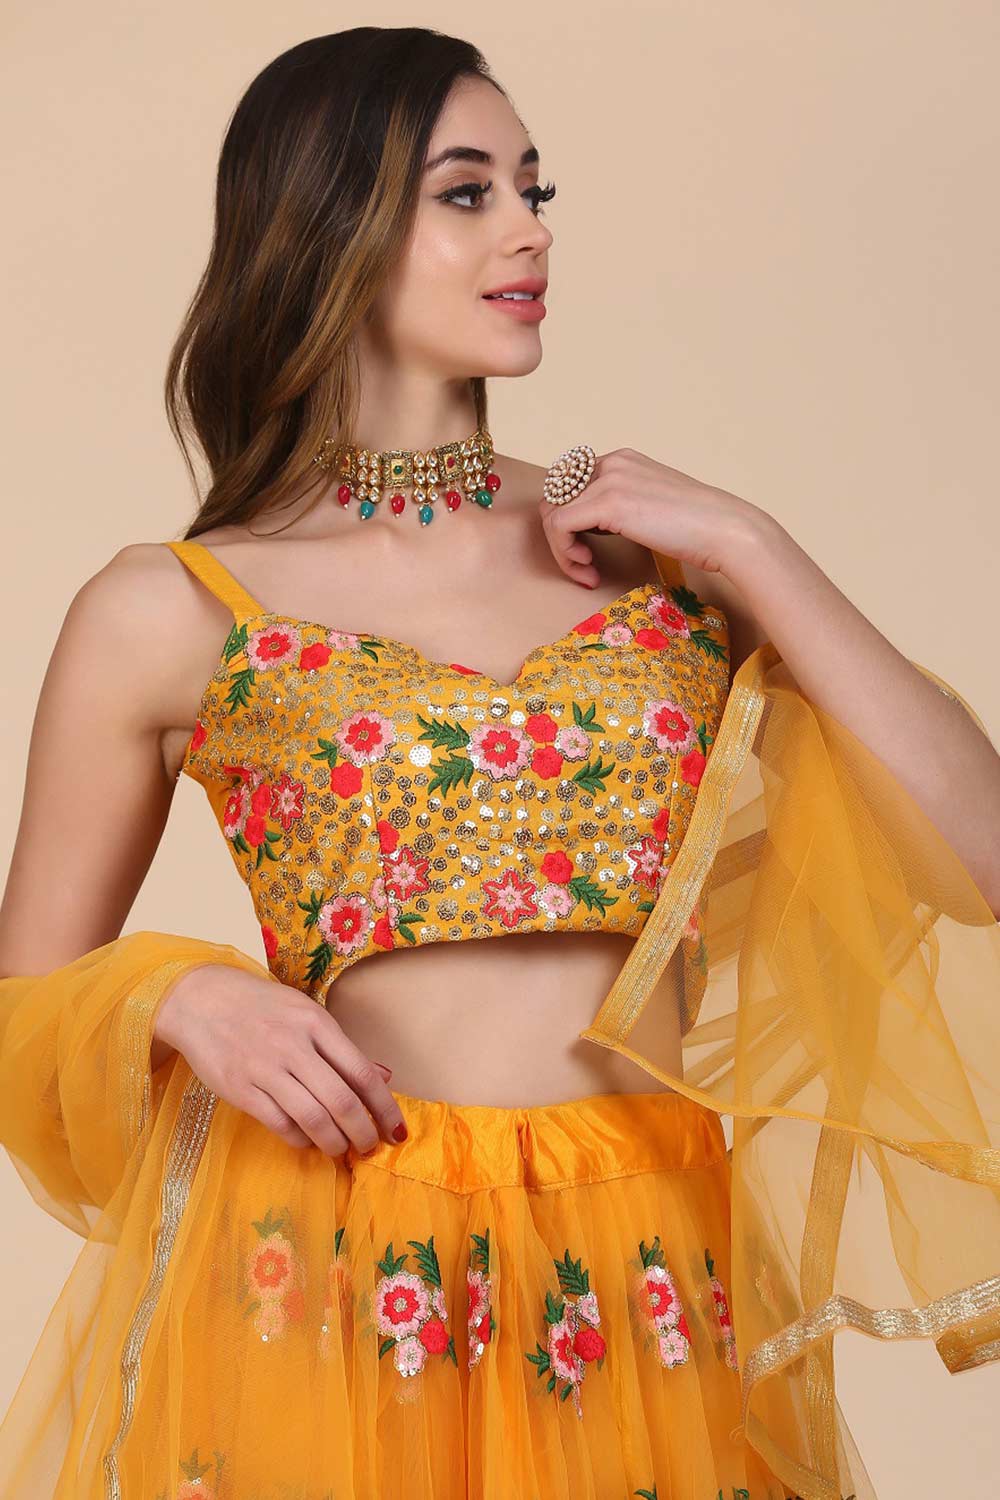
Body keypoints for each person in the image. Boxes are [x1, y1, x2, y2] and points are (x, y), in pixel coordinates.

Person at [2, 27, 999, 1500]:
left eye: (536, 190)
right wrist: (182, 995)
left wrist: (754, 546)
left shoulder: (656, 558)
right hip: (336, 1280)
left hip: (648, 1276)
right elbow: (22, 1014)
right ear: (327, 229)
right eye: (467, 193)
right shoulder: (171, 607)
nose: (530, 229)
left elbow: (977, 853)